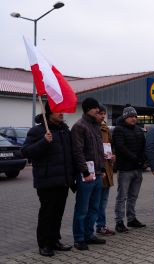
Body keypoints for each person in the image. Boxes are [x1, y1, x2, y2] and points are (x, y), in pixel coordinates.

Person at [22, 103, 75, 257]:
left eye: (62, 110)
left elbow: (69, 155)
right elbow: (25, 152)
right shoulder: (37, 131)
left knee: (58, 213)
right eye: (58, 110)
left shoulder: (64, 130)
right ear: (49, 112)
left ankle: (55, 240)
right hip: (46, 181)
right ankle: (44, 244)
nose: (62, 113)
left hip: (63, 180)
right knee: (47, 214)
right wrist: (44, 141)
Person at [71, 97, 106, 250]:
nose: (98, 110)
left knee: (94, 208)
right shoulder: (79, 126)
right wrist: (85, 172)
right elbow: (77, 152)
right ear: (87, 109)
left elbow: (100, 150)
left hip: (97, 174)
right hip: (86, 175)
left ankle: (89, 234)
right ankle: (79, 238)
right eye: (94, 108)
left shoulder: (96, 126)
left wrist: (103, 169)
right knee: (82, 209)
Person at [113, 104, 146, 233]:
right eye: (131, 116)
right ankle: (119, 221)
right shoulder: (118, 130)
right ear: (125, 117)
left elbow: (144, 145)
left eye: (135, 116)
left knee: (133, 196)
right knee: (122, 196)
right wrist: (135, 158)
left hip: (137, 169)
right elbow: (120, 147)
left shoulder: (138, 130)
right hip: (125, 169)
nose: (134, 118)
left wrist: (143, 159)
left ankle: (131, 219)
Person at [95, 105, 116, 236]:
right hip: (96, 170)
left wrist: (113, 155)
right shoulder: (90, 128)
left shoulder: (106, 129)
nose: (103, 116)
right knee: (95, 202)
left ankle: (101, 225)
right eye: (100, 113)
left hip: (107, 170)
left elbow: (111, 146)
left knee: (103, 201)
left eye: (104, 113)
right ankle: (95, 227)